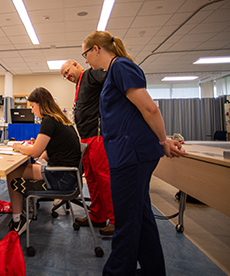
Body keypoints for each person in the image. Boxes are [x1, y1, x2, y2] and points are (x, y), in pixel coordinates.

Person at [82, 30, 187, 275]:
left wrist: (164, 141)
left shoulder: (120, 67)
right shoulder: (114, 71)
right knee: (141, 215)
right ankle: (153, 270)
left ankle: (117, 272)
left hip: (131, 155)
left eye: (85, 54)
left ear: (97, 49)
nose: (85, 60)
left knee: (126, 220)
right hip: (129, 153)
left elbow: (150, 108)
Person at [6, 87, 81, 235]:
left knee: (12, 173)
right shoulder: (60, 120)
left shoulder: (48, 121)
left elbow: (35, 152)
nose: (32, 111)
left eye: (33, 107)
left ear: (41, 104)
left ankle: (17, 221)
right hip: (68, 175)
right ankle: (24, 209)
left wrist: (18, 146)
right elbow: (49, 150)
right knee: (27, 168)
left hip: (61, 178)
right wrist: (38, 154)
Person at [60, 59, 115, 236]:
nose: (67, 76)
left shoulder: (91, 74)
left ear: (75, 64)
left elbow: (112, 79)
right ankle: (97, 215)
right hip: (85, 138)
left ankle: (115, 220)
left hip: (97, 136)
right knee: (91, 178)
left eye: (67, 72)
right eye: (64, 76)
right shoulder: (80, 84)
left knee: (104, 178)